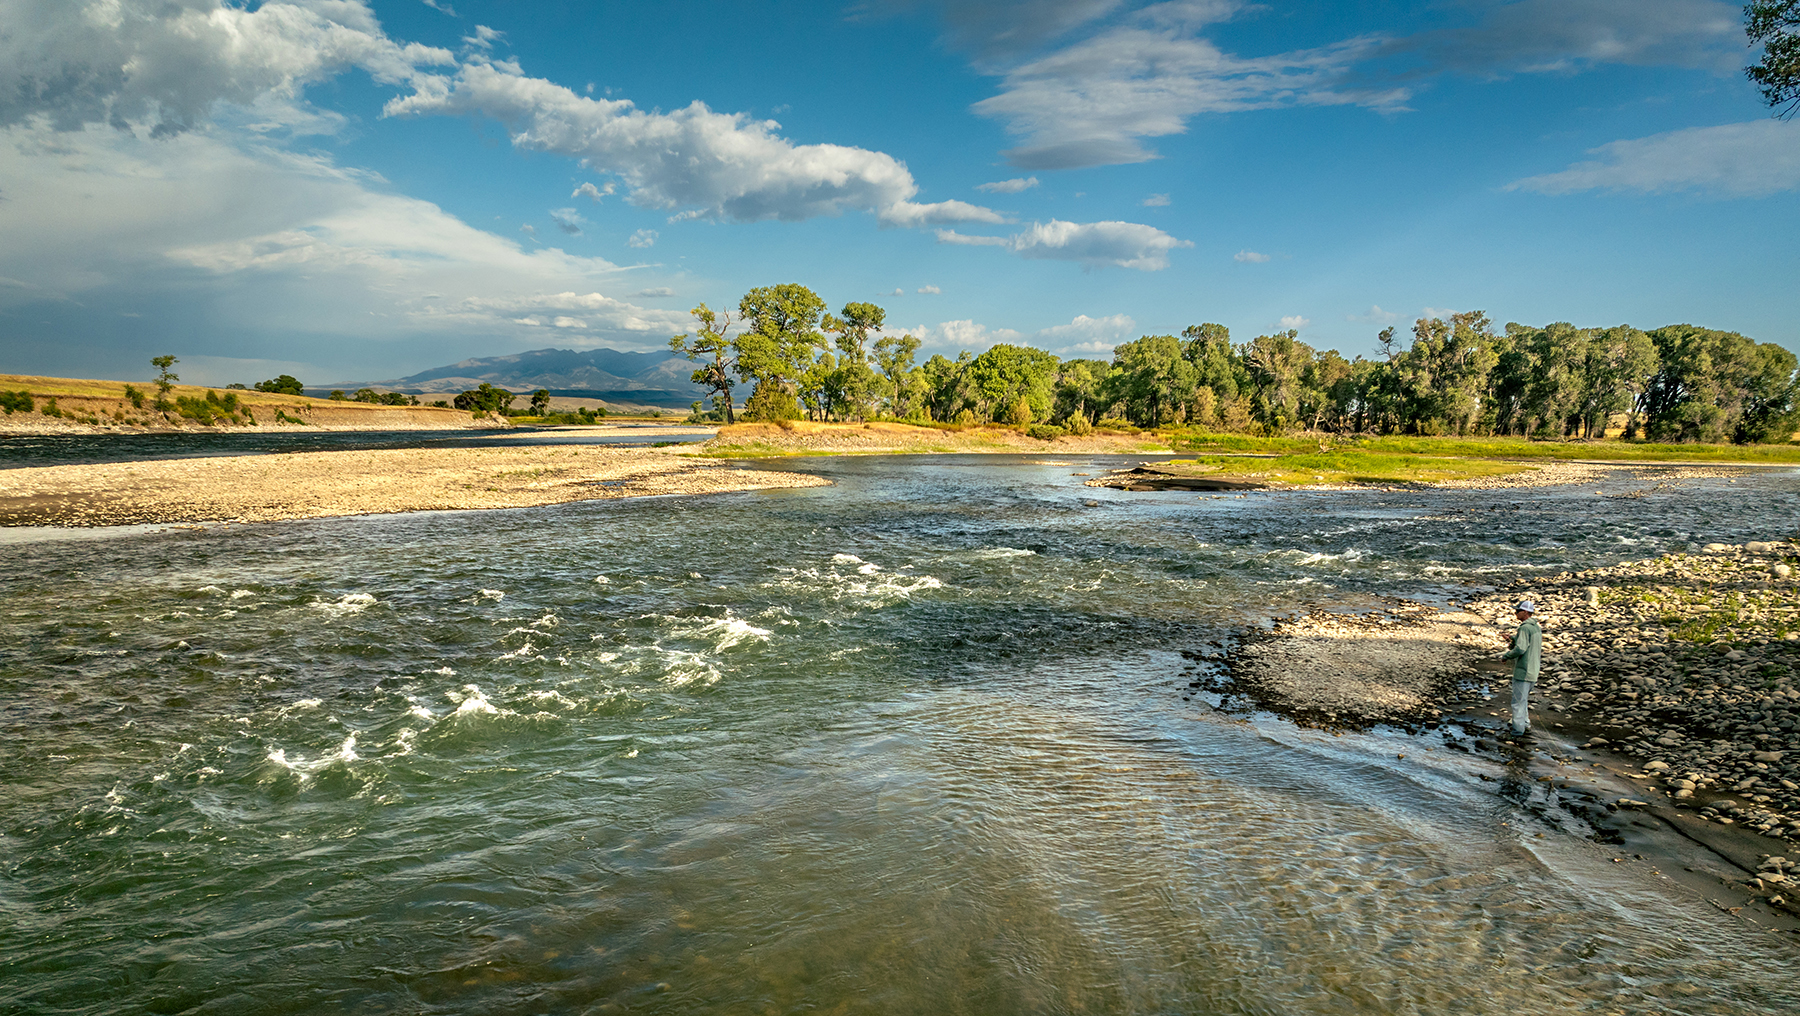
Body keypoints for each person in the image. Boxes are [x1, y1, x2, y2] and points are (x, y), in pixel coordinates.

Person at [1498, 600, 1542, 735]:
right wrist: (1512, 638)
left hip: (1523, 671)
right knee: (1523, 701)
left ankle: (1517, 731)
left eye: (1518, 611)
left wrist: (1506, 656)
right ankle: (1526, 724)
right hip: (1533, 671)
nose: (1515, 612)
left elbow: (1521, 649)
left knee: (1517, 703)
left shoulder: (1524, 628)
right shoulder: (1535, 627)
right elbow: (1526, 644)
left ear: (1525, 612)